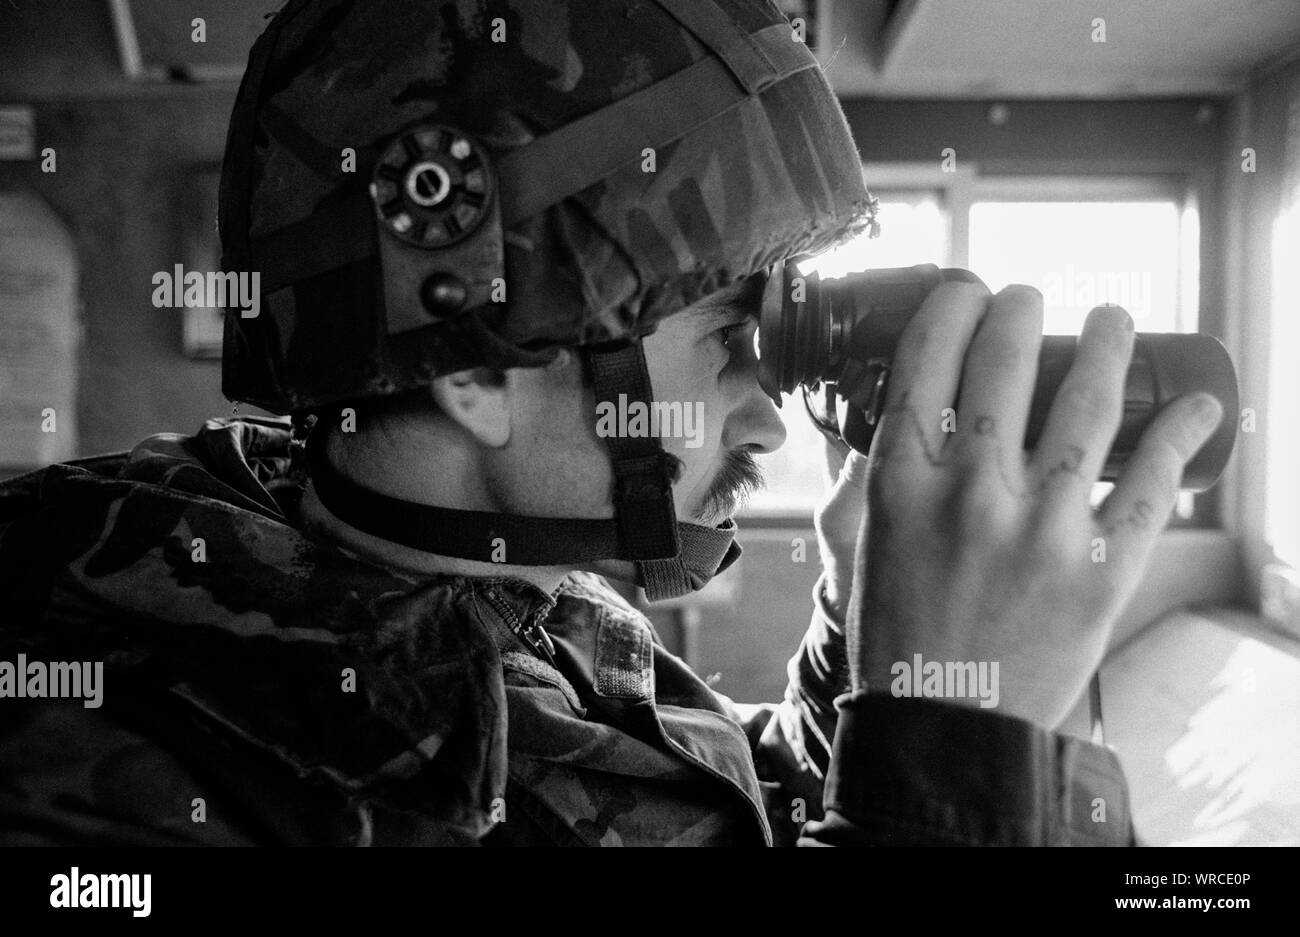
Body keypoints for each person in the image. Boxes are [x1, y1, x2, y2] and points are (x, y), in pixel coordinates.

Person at [0, 0, 1221, 846]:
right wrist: (964, 762)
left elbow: (725, 812)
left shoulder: (491, 579)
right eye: (725, 341)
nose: (765, 416)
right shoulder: (128, 772)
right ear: (480, 370)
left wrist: (880, 635)